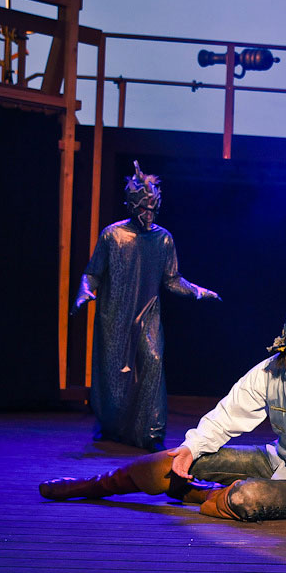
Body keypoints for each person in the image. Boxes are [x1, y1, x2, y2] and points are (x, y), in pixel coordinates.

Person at [40, 297, 286, 526]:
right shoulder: (271, 371)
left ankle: (201, 494)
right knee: (172, 461)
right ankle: (89, 487)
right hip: (277, 461)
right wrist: (190, 449)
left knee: (246, 498)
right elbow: (228, 414)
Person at [72, 161, 220, 450]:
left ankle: (151, 433)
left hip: (148, 314)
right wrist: (84, 291)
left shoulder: (163, 239)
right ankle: (113, 428)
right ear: (131, 205)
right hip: (115, 315)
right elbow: (93, 272)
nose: (149, 215)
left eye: (153, 209)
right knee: (116, 377)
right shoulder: (112, 235)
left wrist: (199, 292)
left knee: (152, 361)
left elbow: (172, 279)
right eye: (143, 209)